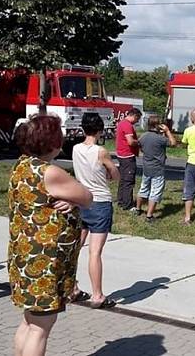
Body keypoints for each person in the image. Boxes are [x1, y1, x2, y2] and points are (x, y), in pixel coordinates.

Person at [9, 115, 92, 356]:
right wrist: (75, 201)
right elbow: (87, 197)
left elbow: (44, 201)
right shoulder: (50, 172)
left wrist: (70, 202)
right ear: (52, 143)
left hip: (24, 254)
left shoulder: (22, 165)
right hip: (44, 260)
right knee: (41, 327)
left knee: (29, 321)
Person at [72, 113, 119, 309]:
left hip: (81, 200)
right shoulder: (101, 152)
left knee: (75, 248)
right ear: (100, 130)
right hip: (100, 202)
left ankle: (71, 288)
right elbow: (115, 175)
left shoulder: (75, 149)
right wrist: (112, 170)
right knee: (95, 252)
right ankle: (97, 294)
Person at [136, 115, 176, 222]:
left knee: (143, 188)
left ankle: (138, 208)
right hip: (157, 168)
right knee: (155, 191)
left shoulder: (143, 136)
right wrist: (167, 131)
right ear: (158, 125)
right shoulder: (160, 139)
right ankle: (149, 216)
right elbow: (173, 143)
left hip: (146, 167)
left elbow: (139, 146)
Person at [116, 108, 142, 213]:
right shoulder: (127, 125)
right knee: (129, 181)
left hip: (121, 155)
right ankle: (128, 204)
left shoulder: (122, 123)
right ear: (134, 116)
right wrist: (139, 142)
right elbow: (130, 142)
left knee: (123, 179)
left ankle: (121, 200)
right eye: (138, 118)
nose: (137, 121)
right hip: (127, 156)